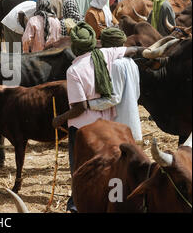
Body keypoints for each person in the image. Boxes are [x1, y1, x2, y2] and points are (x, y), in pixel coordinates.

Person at [52, 22, 144, 213]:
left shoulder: (73, 71)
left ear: (75, 47)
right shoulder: (105, 54)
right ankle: (109, 199)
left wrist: (59, 119)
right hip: (108, 125)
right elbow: (133, 50)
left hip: (83, 129)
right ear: (94, 42)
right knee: (110, 167)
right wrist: (148, 50)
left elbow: (79, 108)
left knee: (79, 170)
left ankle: (77, 204)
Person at [87, 28, 143, 143]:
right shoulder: (132, 63)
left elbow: (114, 98)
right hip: (132, 122)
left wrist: (89, 104)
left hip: (120, 126)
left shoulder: (117, 64)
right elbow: (137, 94)